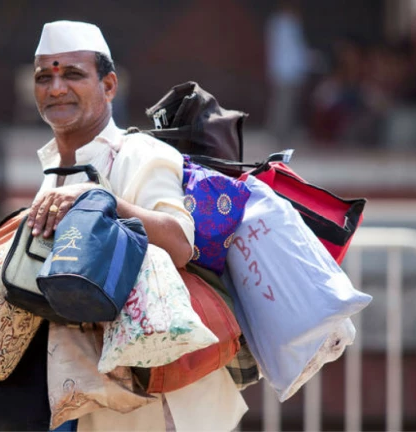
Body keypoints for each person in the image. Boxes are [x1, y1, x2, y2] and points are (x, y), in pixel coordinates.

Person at [24, 20, 247, 431]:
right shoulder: (54, 171)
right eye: (44, 77)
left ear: (109, 86)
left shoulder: (138, 154)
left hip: (164, 402)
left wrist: (101, 200)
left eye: (73, 74)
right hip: (97, 398)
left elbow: (180, 243)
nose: (55, 88)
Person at [264, 0, 312, 144]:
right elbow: (290, 50)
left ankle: (282, 132)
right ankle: (278, 134)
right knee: (283, 103)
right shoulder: (283, 24)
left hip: (287, 69)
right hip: (285, 69)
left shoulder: (288, 24)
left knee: (286, 103)